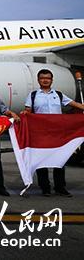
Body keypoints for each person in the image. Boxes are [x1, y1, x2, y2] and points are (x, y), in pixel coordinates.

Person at [24, 68, 84, 197]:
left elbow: (75, 104)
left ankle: (60, 187)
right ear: (38, 80)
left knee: (60, 159)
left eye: (48, 78)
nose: (45, 80)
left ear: (51, 80)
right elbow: (28, 111)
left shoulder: (59, 94)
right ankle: (45, 187)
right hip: (40, 132)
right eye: (42, 78)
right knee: (41, 160)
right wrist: (25, 113)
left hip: (57, 133)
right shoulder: (33, 95)